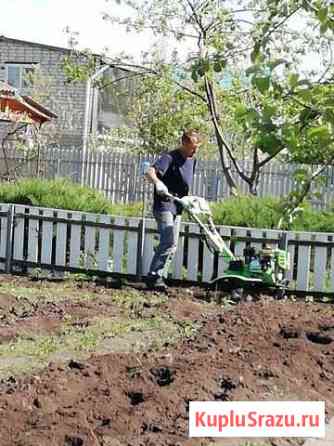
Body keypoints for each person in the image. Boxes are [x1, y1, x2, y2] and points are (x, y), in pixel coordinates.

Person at [145, 129, 201, 291]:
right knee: (168, 240)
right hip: (164, 204)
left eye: (197, 147)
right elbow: (149, 171)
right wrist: (157, 183)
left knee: (173, 244)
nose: (195, 150)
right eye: (192, 147)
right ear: (184, 143)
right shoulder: (170, 157)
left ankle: (159, 276)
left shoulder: (192, 160)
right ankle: (154, 276)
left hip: (178, 205)